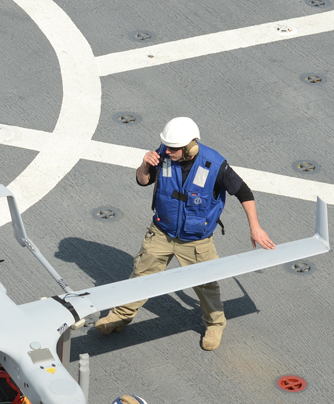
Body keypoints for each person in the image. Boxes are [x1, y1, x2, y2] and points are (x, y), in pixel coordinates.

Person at [95, 117, 275, 350]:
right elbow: (143, 181)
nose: (167, 151)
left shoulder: (215, 164)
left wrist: (255, 227)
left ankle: (215, 325)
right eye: (166, 146)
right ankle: (120, 316)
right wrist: (145, 165)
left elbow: (244, 193)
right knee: (141, 275)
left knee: (207, 285)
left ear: (190, 147)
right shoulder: (164, 154)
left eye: (173, 148)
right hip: (161, 231)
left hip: (196, 239)